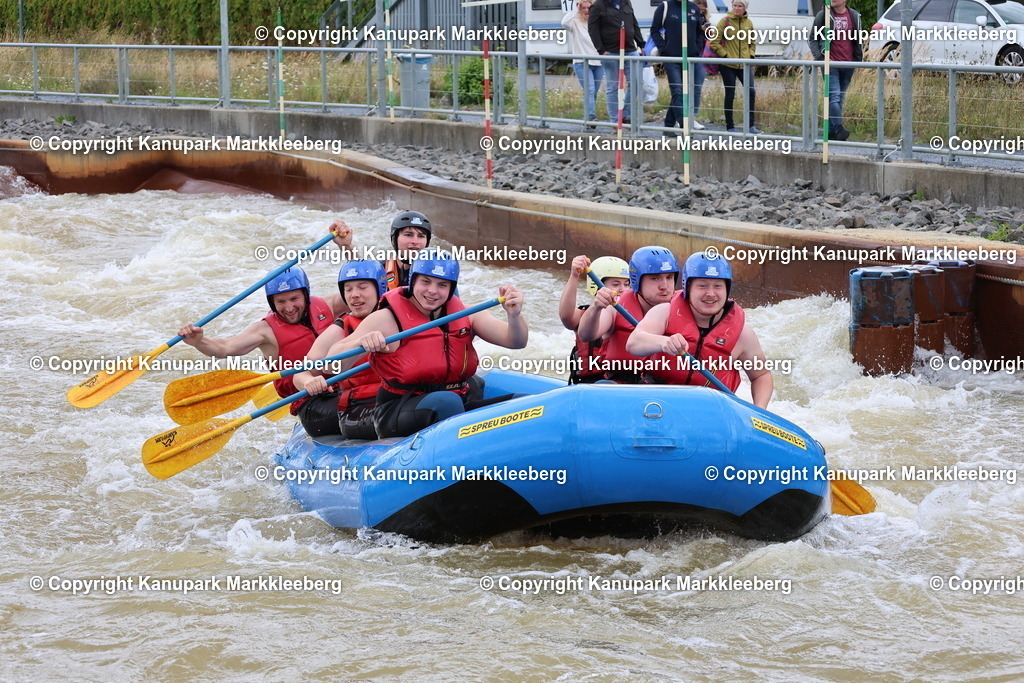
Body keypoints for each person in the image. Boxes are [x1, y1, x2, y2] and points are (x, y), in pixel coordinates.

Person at [339, 249, 528, 438]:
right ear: (412, 281)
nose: (432, 291)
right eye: (425, 281)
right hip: (397, 409)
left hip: (457, 404)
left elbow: (516, 341)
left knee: (524, 404)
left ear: (451, 288)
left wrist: (514, 315)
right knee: (446, 402)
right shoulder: (387, 318)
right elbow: (333, 364)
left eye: (442, 285)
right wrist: (360, 343)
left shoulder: (467, 315)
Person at [177, 266, 336, 420]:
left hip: (343, 382)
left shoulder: (326, 305)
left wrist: (347, 247)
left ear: (306, 295)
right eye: (281, 301)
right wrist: (199, 341)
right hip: (309, 400)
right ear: (272, 303)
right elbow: (225, 348)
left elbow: (357, 291)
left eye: (294, 299)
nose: (289, 308)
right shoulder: (265, 331)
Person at [625, 251, 774, 407]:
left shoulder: (743, 335)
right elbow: (634, 343)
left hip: (710, 410)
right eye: (702, 286)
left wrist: (759, 410)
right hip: (658, 401)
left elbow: (761, 375)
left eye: (718, 286)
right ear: (687, 288)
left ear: (727, 290)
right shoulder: (664, 312)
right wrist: (664, 342)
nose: (710, 294)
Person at [291, 260, 389, 439]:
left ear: (380, 288)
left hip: (391, 399)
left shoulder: (399, 316)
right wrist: (308, 382)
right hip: (357, 405)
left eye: (362, 287)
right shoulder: (340, 328)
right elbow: (300, 373)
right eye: (349, 289)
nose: (354, 295)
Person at [577, 246, 680, 383]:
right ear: (637, 281)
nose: (665, 286)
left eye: (669, 277)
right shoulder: (616, 306)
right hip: (620, 387)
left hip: (663, 390)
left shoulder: (684, 309)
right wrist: (596, 307)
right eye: (655, 278)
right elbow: (586, 335)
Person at [558, 254, 630, 384]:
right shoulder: (585, 316)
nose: (623, 290)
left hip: (618, 386)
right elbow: (566, 316)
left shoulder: (632, 317)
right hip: (588, 386)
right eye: (615, 284)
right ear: (595, 286)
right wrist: (574, 276)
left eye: (626, 284)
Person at [808, 0, 863, 141]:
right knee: (834, 96)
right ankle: (838, 129)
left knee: (839, 99)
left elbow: (857, 40)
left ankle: (831, 132)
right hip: (830, 64)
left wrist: (857, 59)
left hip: (848, 64)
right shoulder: (823, 15)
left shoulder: (854, 16)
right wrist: (820, 57)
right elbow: (813, 38)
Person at [651, 0, 706, 135]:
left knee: (681, 93)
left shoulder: (693, 8)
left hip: (690, 58)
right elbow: (655, 30)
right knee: (677, 90)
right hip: (672, 58)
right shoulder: (665, 7)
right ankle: (684, 125)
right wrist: (664, 48)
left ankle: (668, 126)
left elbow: (699, 32)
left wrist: (698, 49)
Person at [588, 0, 645, 124]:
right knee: (613, 86)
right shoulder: (598, 6)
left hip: (630, 50)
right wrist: (601, 50)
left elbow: (634, 23)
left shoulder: (626, 3)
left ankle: (626, 115)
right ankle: (615, 120)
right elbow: (592, 29)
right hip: (611, 52)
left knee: (636, 83)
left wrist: (641, 44)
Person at [710, 0, 761, 134]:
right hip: (727, 65)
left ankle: (750, 126)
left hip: (744, 65)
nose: (737, 8)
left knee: (751, 92)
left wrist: (750, 56)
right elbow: (714, 42)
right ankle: (730, 126)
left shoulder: (748, 23)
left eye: (740, 6)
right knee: (730, 94)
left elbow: (752, 42)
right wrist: (725, 55)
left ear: (745, 8)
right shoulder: (725, 21)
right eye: (735, 6)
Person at [562, 1, 604, 126]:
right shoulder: (575, 23)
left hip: (598, 62)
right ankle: (591, 116)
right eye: (583, 8)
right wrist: (575, 8)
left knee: (594, 91)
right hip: (582, 62)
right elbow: (564, 22)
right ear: (579, 9)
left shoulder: (597, 22)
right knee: (589, 90)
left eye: (589, 8)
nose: (586, 10)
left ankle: (588, 116)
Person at [383, 211, 433, 290]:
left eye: (421, 236)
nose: (415, 241)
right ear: (393, 239)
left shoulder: (438, 273)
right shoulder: (379, 269)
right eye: (408, 235)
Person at [691, 0, 712, 129]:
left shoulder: (706, 20)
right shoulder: (688, 19)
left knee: (697, 88)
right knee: (682, 88)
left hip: (701, 56)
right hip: (689, 56)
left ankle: (693, 117)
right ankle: (679, 117)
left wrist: (708, 31)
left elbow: (709, 39)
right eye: (699, 8)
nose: (701, 11)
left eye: (703, 9)